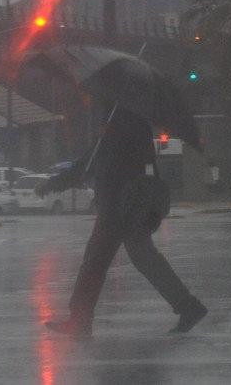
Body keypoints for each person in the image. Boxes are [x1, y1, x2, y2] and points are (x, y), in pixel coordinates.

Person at [36, 106, 207, 337]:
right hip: (127, 207)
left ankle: (80, 320)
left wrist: (53, 184)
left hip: (118, 208)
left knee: (96, 262)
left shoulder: (119, 124)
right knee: (144, 259)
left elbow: (90, 165)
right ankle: (188, 306)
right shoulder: (129, 121)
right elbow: (95, 164)